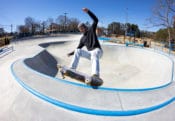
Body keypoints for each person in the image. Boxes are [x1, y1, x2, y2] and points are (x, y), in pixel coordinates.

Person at [67, 8, 103, 79]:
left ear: (85, 27)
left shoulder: (91, 29)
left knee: (94, 53)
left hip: (98, 51)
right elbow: (78, 48)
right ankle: (72, 68)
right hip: (90, 54)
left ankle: (95, 75)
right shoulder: (82, 39)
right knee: (78, 51)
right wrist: (70, 54)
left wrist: (88, 12)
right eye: (80, 29)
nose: (81, 30)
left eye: (82, 28)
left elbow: (96, 20)